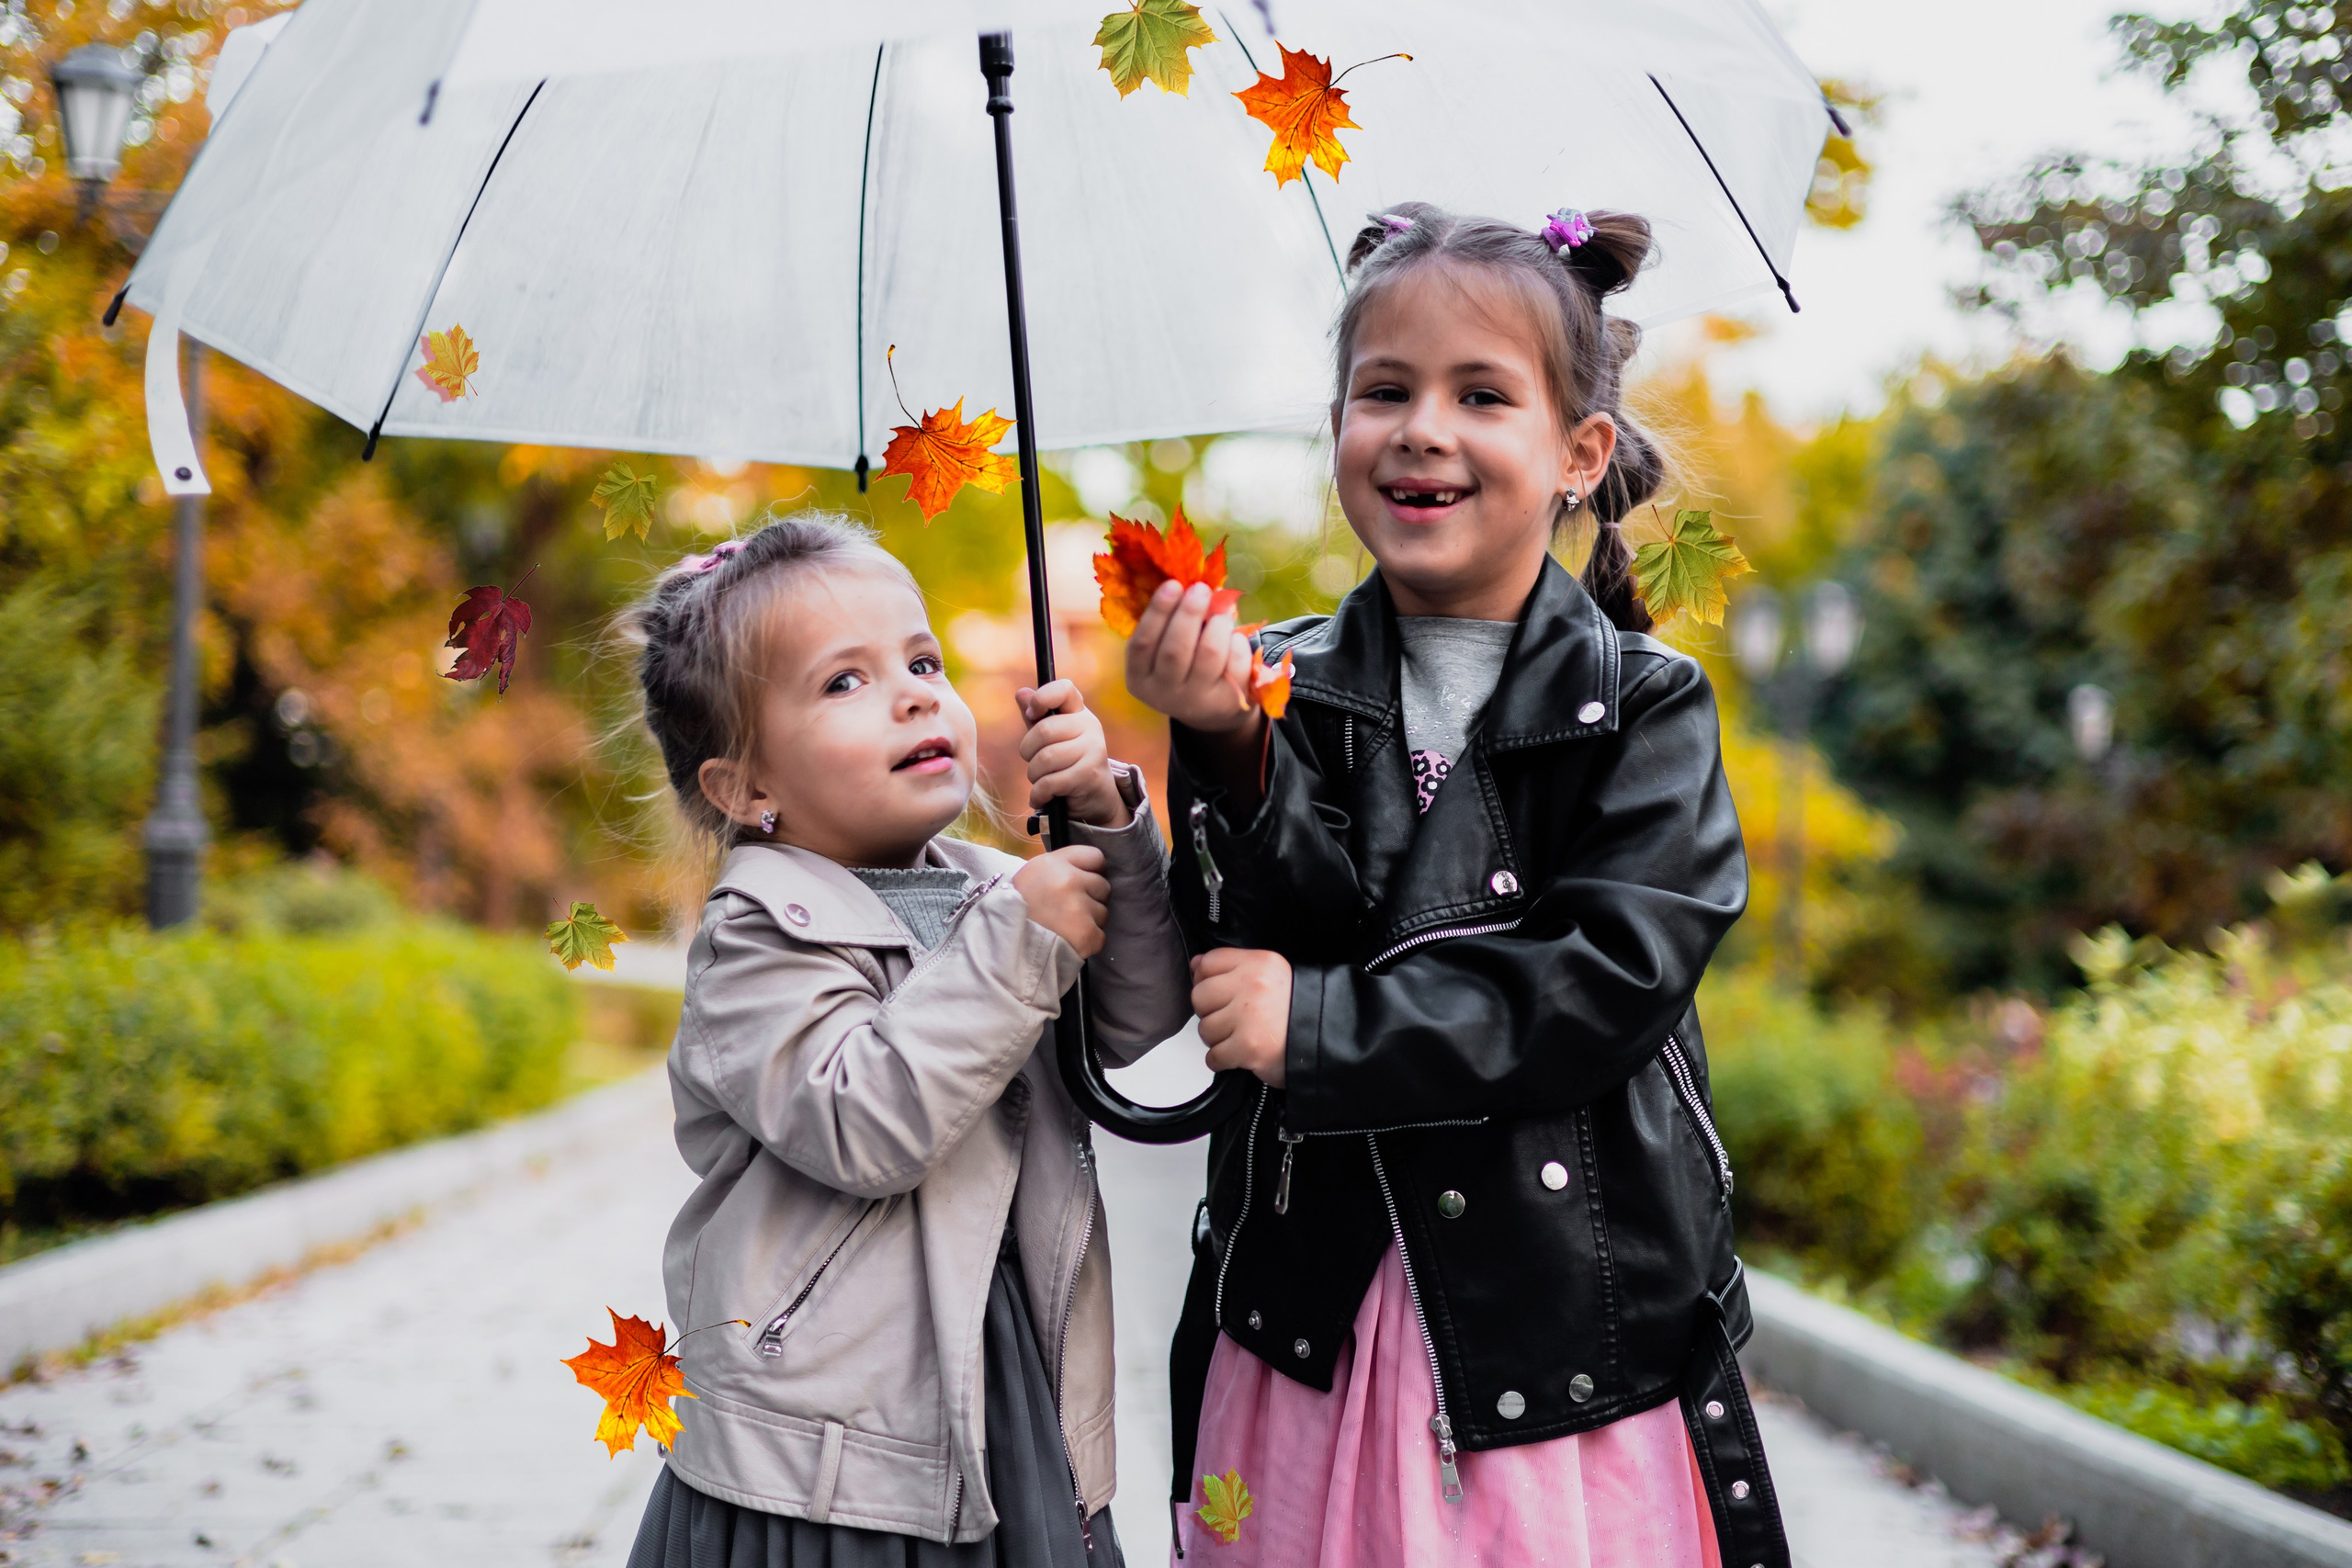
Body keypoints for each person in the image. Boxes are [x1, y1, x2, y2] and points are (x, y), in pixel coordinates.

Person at [1125, 203, 1783, 1568]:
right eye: (1385, 391)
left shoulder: (1643, 706)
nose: (1423, 427)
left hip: (1552, 1338)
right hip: (1310, 1310)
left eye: (1481, 394)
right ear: (1338, 427)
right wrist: (1225, 745)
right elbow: (1271, 928)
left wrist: (1319, 1030)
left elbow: (1601, 984)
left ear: (1576, 455)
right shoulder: (1276, 679)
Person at [616, 513, 1188, 1567]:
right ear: (748, 789)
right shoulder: (755, 940)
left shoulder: (995, 888)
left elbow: (1141, 1012)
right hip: (836, 1447)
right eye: (844, 683)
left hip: (1011, 1372)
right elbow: (864, 1125)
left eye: (921, 660)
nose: (917, 692)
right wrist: (1023, 941)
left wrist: (1107, 824)